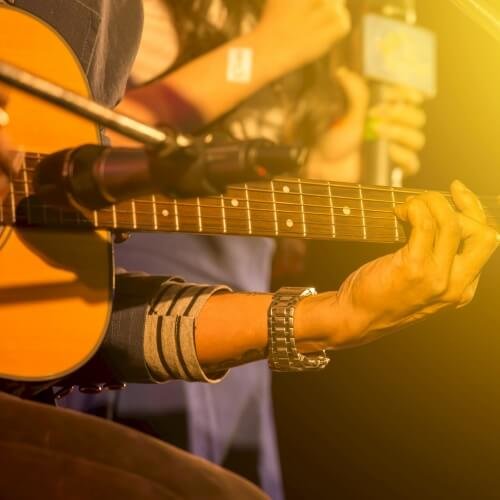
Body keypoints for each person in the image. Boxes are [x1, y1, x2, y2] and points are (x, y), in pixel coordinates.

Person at [0, 1, 498, 498]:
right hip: (117, 288)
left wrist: (321, 170)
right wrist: (269, 48)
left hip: (201, 316)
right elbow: (75, 152)